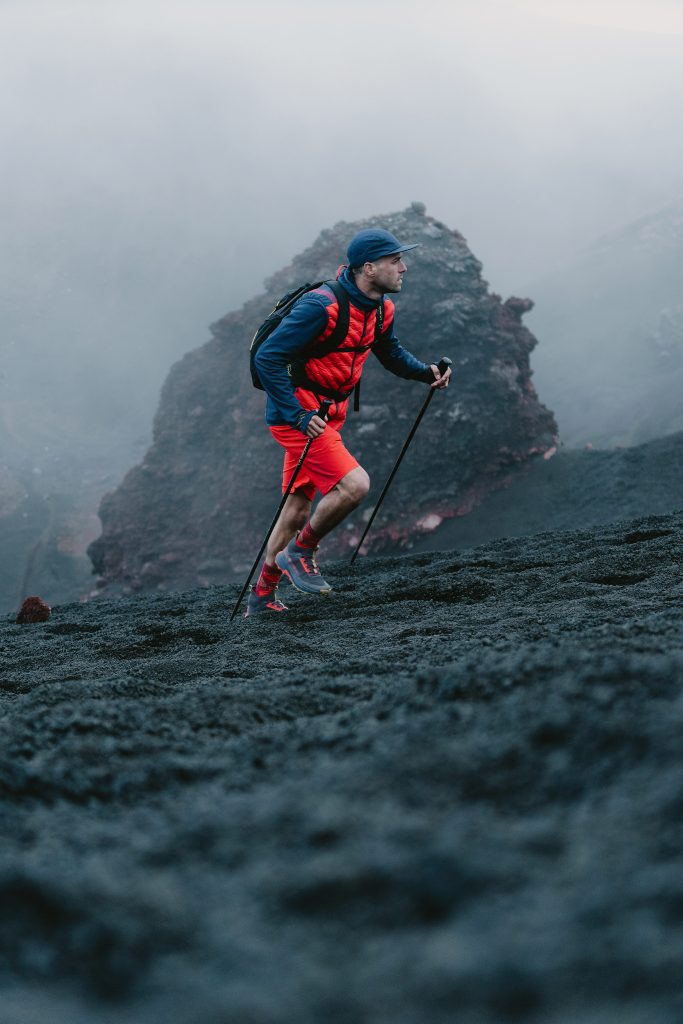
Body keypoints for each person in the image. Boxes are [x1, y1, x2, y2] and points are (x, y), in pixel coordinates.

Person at [246, 227, 451, 616]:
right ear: (369, 268)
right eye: (396, 262)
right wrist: (298, 414)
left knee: (296, 508)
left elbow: (389, 352)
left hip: (328, 414)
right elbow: (267, 358)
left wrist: (427, 373)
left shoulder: (381, 309)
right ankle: (300, 553)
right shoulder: (320, 307)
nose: (404, 268)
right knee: (354, 485)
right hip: (300, 416)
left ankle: (261, 597)